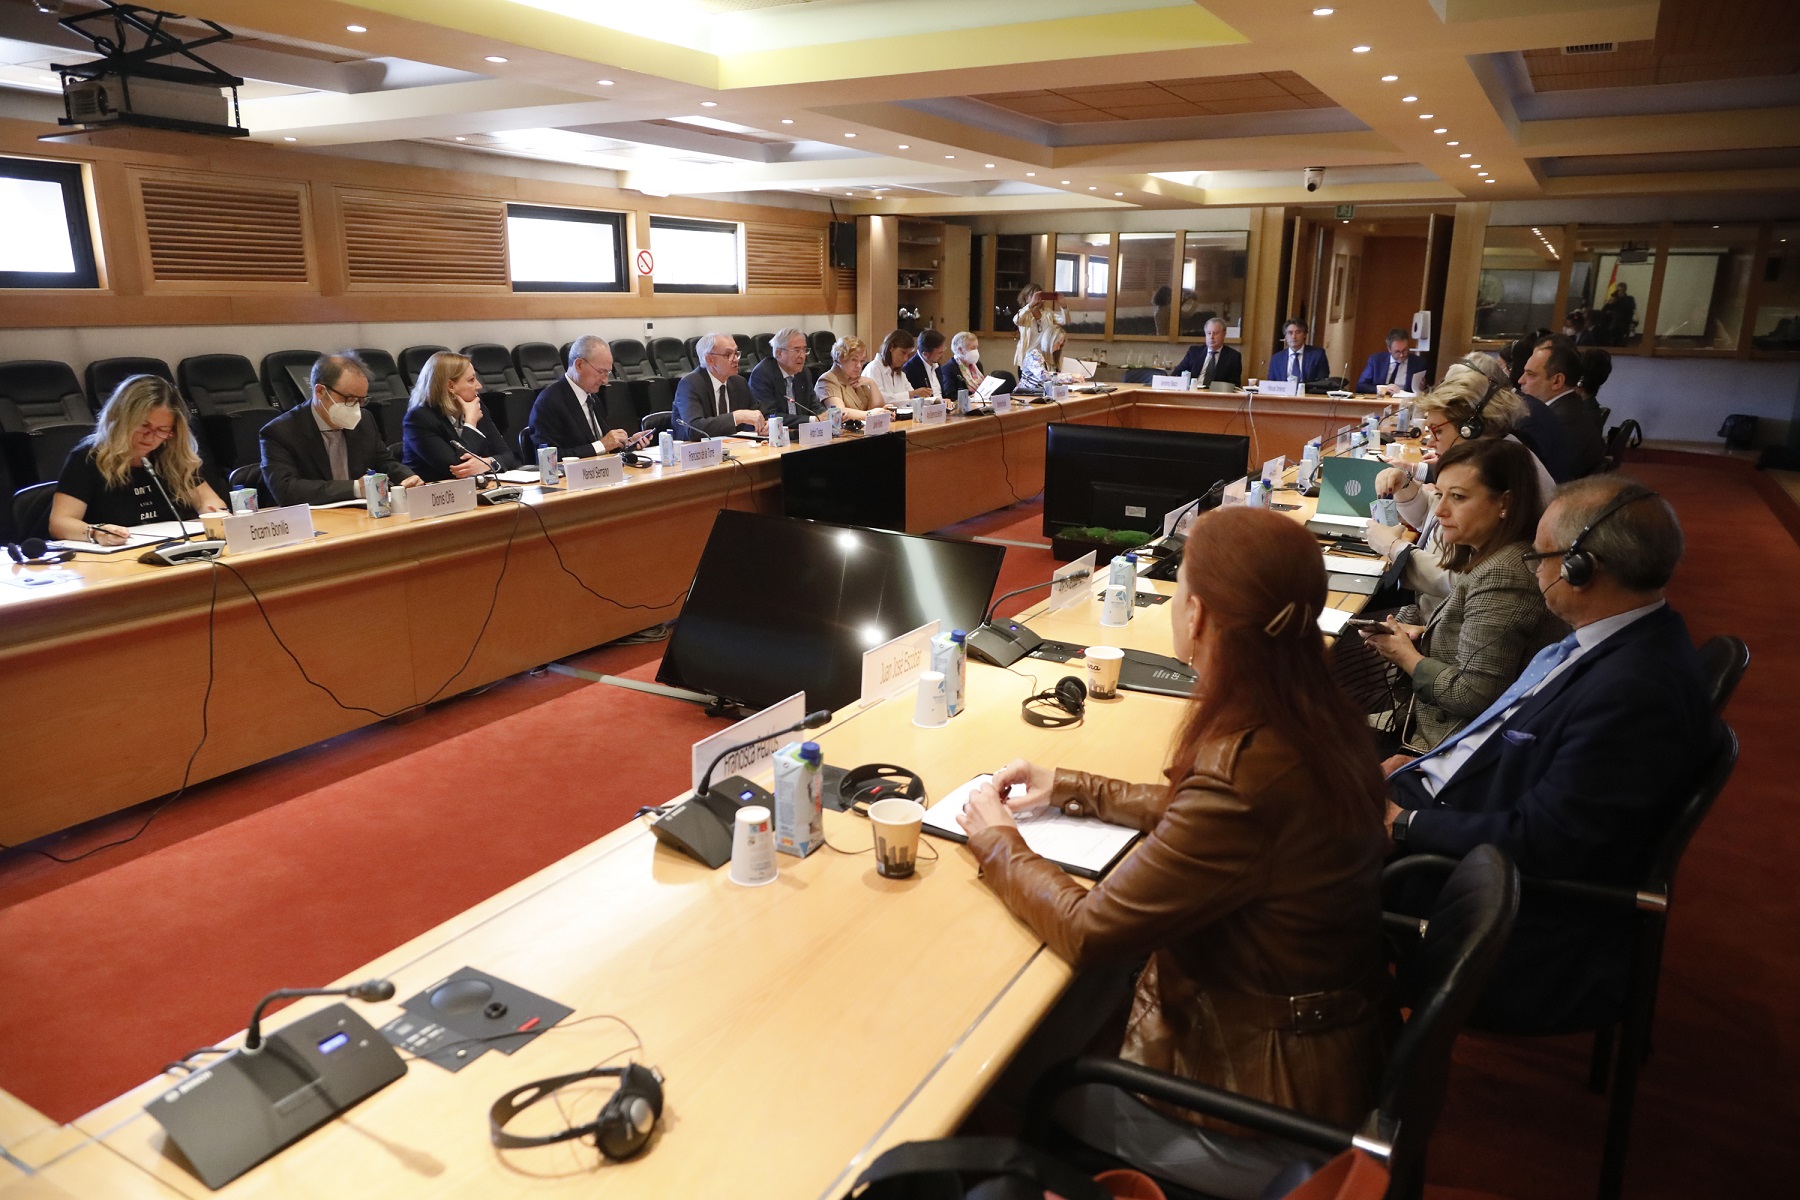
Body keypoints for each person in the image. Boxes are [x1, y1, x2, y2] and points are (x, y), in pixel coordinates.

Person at [957, 506, 1390, 1195]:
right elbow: (1211, 814)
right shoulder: (1313, 712)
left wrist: (997, 840)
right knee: (1073, 998)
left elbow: (1090, 929)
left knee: (994, 1068)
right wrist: (1071, 786)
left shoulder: (1248, 771)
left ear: (1197, 615)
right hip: (1307, 1051)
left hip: (1254, 1111)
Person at [1385, 476, 1709, 1032]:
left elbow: (1546, 841)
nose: (1532, 568)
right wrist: (1423, 767)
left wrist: (1400, 822)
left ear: (1581, 568)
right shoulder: (1620, 638)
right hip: (1453, 801)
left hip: (1472, 882)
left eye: (1541, 556)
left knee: (1278, 839)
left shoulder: (1633, 693)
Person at [1361, 439, 1566, 753]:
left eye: (1457, 497)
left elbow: (1472, 695)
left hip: (1458, 745)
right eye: (1440, 494)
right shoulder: (1493, 553)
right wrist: (1423, 633)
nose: (1440, 510)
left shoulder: (1504, 573)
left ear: (1505, 503)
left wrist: (1404, 655)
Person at [1367, 369, 1557, 620]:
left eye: (1437, 431)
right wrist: (1405, 487)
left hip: (1448, 623)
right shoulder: (1489, 457)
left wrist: (1395, 548)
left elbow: (1465, 581)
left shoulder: (1505, 470)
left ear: (1470, 429)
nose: (1430, 442)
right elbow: (1435, 520)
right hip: (1432, 613)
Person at [50, 375, 226, 545]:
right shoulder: (88, 457)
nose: (150, 438)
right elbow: (60, 523)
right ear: (120, 418)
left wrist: (217, 513)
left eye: (162, 430)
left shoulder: (172, 454)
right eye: (143, 426)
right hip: (116, 555)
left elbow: (207, 501)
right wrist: (96, 532)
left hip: (168, 548)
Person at [261, 352, 421, 507]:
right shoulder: (280, 432)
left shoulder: (364, 420)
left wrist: (407, 477)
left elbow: (384, 461)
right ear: (320, 391)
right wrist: (355, 488)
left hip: (360, 514)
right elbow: (286, 490)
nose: (356, 408)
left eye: (361, 400)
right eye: (349, 399)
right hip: (313, 518)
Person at [402, 351, 522, 483]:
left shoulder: (477, 406)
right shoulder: (418, 419)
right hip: (434, 493)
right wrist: (470, 423)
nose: (479, 386)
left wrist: (488, 463)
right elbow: (457, 468)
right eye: (471, 380)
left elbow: (508, 456)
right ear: (450, 386)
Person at [526, 336, 643, 460]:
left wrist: (626, 443)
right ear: (579, 365)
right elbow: (549, 458)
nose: (605, 380)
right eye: (601, 372)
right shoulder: (548, 402)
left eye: (608, 373)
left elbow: (604, 446)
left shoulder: (593, 398)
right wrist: (601, 445)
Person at [1519, 341, 1605, 478]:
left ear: (1557, 381)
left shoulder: (1561, 420)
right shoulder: (1570, 407)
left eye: (1530, 374)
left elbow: (1533, 475)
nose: (1520, 380)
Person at [673, 332, 767, 440]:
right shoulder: (690, 384)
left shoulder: (739, 383)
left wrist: (765, 425)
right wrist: (736, 417)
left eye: (736, 353)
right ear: (710, 360)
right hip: (697, 449)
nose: (736, 359)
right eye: (728, 354)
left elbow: (757, 414)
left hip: (734, 447)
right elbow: (694, 429)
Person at [747, 326, 818, 422]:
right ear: (779, 353)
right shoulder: (762, 374)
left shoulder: (804, 373)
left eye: (804, 350)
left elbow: (814, 405)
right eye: (797, 350)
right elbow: (769, 416)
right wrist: (811, 419)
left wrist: (825, 415)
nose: (802, 356)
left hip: (801, 429)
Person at [814, 335, 884, 412]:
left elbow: (878, 408)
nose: (859, 366)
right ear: (840, 359)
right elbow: (839, 412)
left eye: (862, 361)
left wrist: (872, 383)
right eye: (854, 360)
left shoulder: (858, 379)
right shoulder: (827, 380)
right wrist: (870, 414)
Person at [861, 330, 929, 408]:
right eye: (903, 352)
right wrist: (911, 394)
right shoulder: (874, 368)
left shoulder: (901, 374)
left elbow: (912, 398)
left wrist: (925, 397)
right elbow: (880, 400)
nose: (906, 359)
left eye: (908, 354)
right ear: (891, 347)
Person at [1356, 328, 1430, 395]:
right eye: (1397, 352)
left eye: (1404, 350)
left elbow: (1427, 391)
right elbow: (1361, 386)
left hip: (1405, 402)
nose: (1401, 355)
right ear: (1389, 349)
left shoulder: (1419, 363)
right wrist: (1383, 389)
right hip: (1381, 400)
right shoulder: (1376, 361)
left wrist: (1422, 388)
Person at [1172, 317, 1242, 388]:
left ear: (1224, 334)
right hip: (1193, 391)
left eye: (1216, 333)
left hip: (1216, 393)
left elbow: (1235, 385)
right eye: (1209, 333)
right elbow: (1176, 374)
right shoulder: (1194, 352)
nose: (1211, 337)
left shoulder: (1233, 357)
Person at [1012, 283, 1065, 370]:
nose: (1038, 299)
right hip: (1027, 359)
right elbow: (1016, 320)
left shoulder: (1047, 313)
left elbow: (1063, 321)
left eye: (1040, 296)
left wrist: (1063, 305)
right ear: (1026, 298)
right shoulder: (1024, 314)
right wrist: (1030, 305)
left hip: (1044, 358)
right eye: (1034, 296)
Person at [1018, 327, 1078, 392]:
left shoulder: (1051, 355)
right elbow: (1043, 376)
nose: (1058, 348)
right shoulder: (1033, 354)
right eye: (1058, 343)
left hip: (1043, 393)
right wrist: (1070, 377)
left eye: (1061, 345)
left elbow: (1053, 379)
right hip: (1026, 394)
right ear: (1049, 341)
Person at [1273, 318, 1329, 386]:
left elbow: (1323, 382)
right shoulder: (1276, 358)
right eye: (1290, 333)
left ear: (1304, 335)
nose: (1293, 336)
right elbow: (1271, 384)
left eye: (1298, 332)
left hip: (1309, 392)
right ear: (1285, 336)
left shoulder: (1318, 355)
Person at [941, 331, 995, 398]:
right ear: (960, 350)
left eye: (976, 347)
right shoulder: (949, 368)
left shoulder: (977, 364)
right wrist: (969, 397)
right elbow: (950, 395)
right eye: (972, 348)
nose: (976, 351)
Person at [903, 328, 947, 400]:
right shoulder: (909, 370)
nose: (942, 356)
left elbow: (943, 394)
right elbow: (914, 400)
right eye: (939, 353)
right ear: (925, 354)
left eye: (943, 351)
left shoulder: (936, 365)